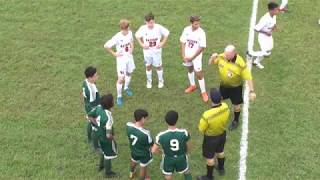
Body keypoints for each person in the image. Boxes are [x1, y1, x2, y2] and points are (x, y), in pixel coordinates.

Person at [208, 45, 256, 130]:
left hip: (235, 88)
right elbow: (210, 63)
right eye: (225, 54)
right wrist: (212, 58)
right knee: (219, 99)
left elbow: (248, 77)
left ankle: (236, 120)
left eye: (228, 55)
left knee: (236, 105)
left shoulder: (240, 63)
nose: (225, 56)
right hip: (224, 85)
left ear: (234, 53)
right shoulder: (221, 56)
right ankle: (218, 114)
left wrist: (252, 91)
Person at [197, 88, 231, 180]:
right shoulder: (225, 106)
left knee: (210, 157)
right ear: (221, 98)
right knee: (220, 151)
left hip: (211, 138)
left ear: (211, 99)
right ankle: (221, 168)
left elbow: (201, 129)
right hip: (222, 134)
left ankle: (209, 176)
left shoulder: (207, 115)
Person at [152, 111, 192, 180]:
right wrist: (186, 153)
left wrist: (161, 152)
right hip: (181, 157)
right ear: (177, 120)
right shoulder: (184, 132)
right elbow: (189, 145)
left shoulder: (161, 135)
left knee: (168, 176)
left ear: (166, 121)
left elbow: (153, 150)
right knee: (186, 171)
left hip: (168, 159)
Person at [104, 19, 135, 106]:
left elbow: (131, 41)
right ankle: (119, 96)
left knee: (129, 73)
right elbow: (106, 46)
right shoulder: (117, 37)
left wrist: (132, 48)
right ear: (126, 27)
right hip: (121, 60)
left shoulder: (130, 33)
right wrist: (114, 53)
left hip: (129, 58)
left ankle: (126, 87)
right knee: (121, 78)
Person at [135, 12, 170, 89]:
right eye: (149, 23)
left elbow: (167, 33)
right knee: (148, 66)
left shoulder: (158, 27)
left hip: (156, 51)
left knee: (158, 66)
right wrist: (141, 44)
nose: (151, 24)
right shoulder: (143, 28)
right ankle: (149, 81)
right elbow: (137, 36)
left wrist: (162, 43)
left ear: (154, 20)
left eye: (152, 22)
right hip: (147, 52)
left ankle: (161, 81)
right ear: (145, 22)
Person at [87, 94, 118, 178]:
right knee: (108, 155)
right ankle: (108, 173)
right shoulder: (108, 118)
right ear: (110, 104)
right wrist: (113, 137)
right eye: (113, 100)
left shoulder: (99, 107)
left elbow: (89, 116)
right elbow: (108, 135)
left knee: (103, 151)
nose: (114, 101)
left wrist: (97, 124)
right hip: (106, 138)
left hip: (99, 134)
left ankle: (101, 166)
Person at [180, 15, 208, 102]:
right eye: (196, 24)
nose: (198, 25)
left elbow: (202, 47)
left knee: (198, 73)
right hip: (187, 56)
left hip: (196, 56)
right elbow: (183, 42)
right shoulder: (186, 30)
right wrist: (183, 55)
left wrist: (193, 57)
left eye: (198, 24)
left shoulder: (201, 33)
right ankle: (193, 85)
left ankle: (203, 92)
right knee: (190, 69)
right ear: (191, 23)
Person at [126, 109, 153, 180]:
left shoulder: (128, 125)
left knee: (133, 160)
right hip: (144, 154)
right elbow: (151, 145)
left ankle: (131, 173)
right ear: (142, 119)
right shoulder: (146, 133)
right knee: (143, 167)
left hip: (134, 150)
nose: (147, 120)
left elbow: (132, 123)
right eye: (146, 119)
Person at [252, 2, 280, 69]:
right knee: (266, 52)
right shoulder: (265, 19)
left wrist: (275, 27)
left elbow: (272, 23)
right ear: (271, 10)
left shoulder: (274, 16)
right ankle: (252, 55)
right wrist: (266, 32)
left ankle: (256, 61)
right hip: (263, 37)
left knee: (269, 49)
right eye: (276, 10)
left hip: (269, 36)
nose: (278, 11)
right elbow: (256, 28)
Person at [82, 66, 100, 151]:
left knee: (90, 123)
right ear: (90, 77)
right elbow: (93, 104)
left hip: (87, 106)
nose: (98, 76)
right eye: (96, 75)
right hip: (92, 109)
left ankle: (89, 138)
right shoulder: (91, 90)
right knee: (96, 128)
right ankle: (96, 147)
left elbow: (83, 93)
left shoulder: (85, 81)